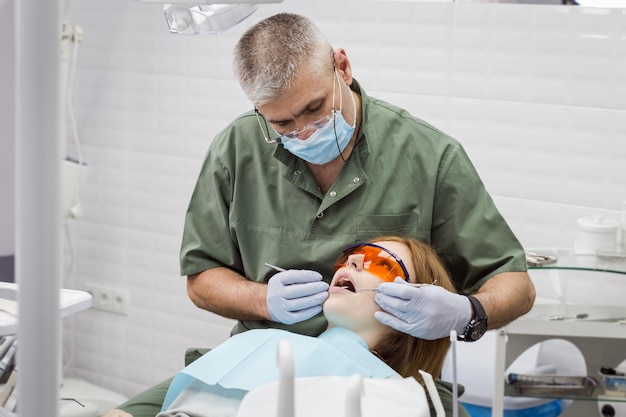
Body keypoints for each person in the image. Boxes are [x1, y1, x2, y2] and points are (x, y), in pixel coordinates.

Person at [104, 12, 535, 417]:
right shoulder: (237, 148)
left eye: (313, 109)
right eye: (282, 124)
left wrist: (466, 312)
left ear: (342, 67)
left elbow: (515, 283)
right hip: (257, 360)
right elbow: (201, 278)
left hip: (386, 374)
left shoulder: (430, 157)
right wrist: (262, 299)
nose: (303, 132)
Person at [156, 237, 467, 417]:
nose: (351, 264)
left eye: (381, 263)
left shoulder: (395, 396)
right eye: (349, 258)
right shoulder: (263, 342)